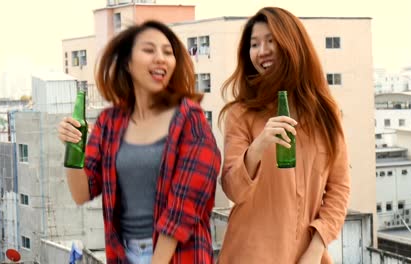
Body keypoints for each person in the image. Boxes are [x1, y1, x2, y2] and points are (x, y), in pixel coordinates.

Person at [57, 20, 221, 264]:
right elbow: (82, 192)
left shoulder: (190, 119)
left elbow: (183, 209)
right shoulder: (109, 122)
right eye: (149, 50)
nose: (161, 58)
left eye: (168, 52)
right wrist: (73, 148)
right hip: (124, 254)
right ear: (127, 63)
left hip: (177, 256)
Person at [217, 7, 351, 264]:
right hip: (248, 254)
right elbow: (233, 190)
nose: (262, 50)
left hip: (307, 257)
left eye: (271, 40)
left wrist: (315, 249)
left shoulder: (325, 113)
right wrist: (259, 146)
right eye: (254, 44)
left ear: (292, 44)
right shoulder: (240, 113)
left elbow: (339, 189)